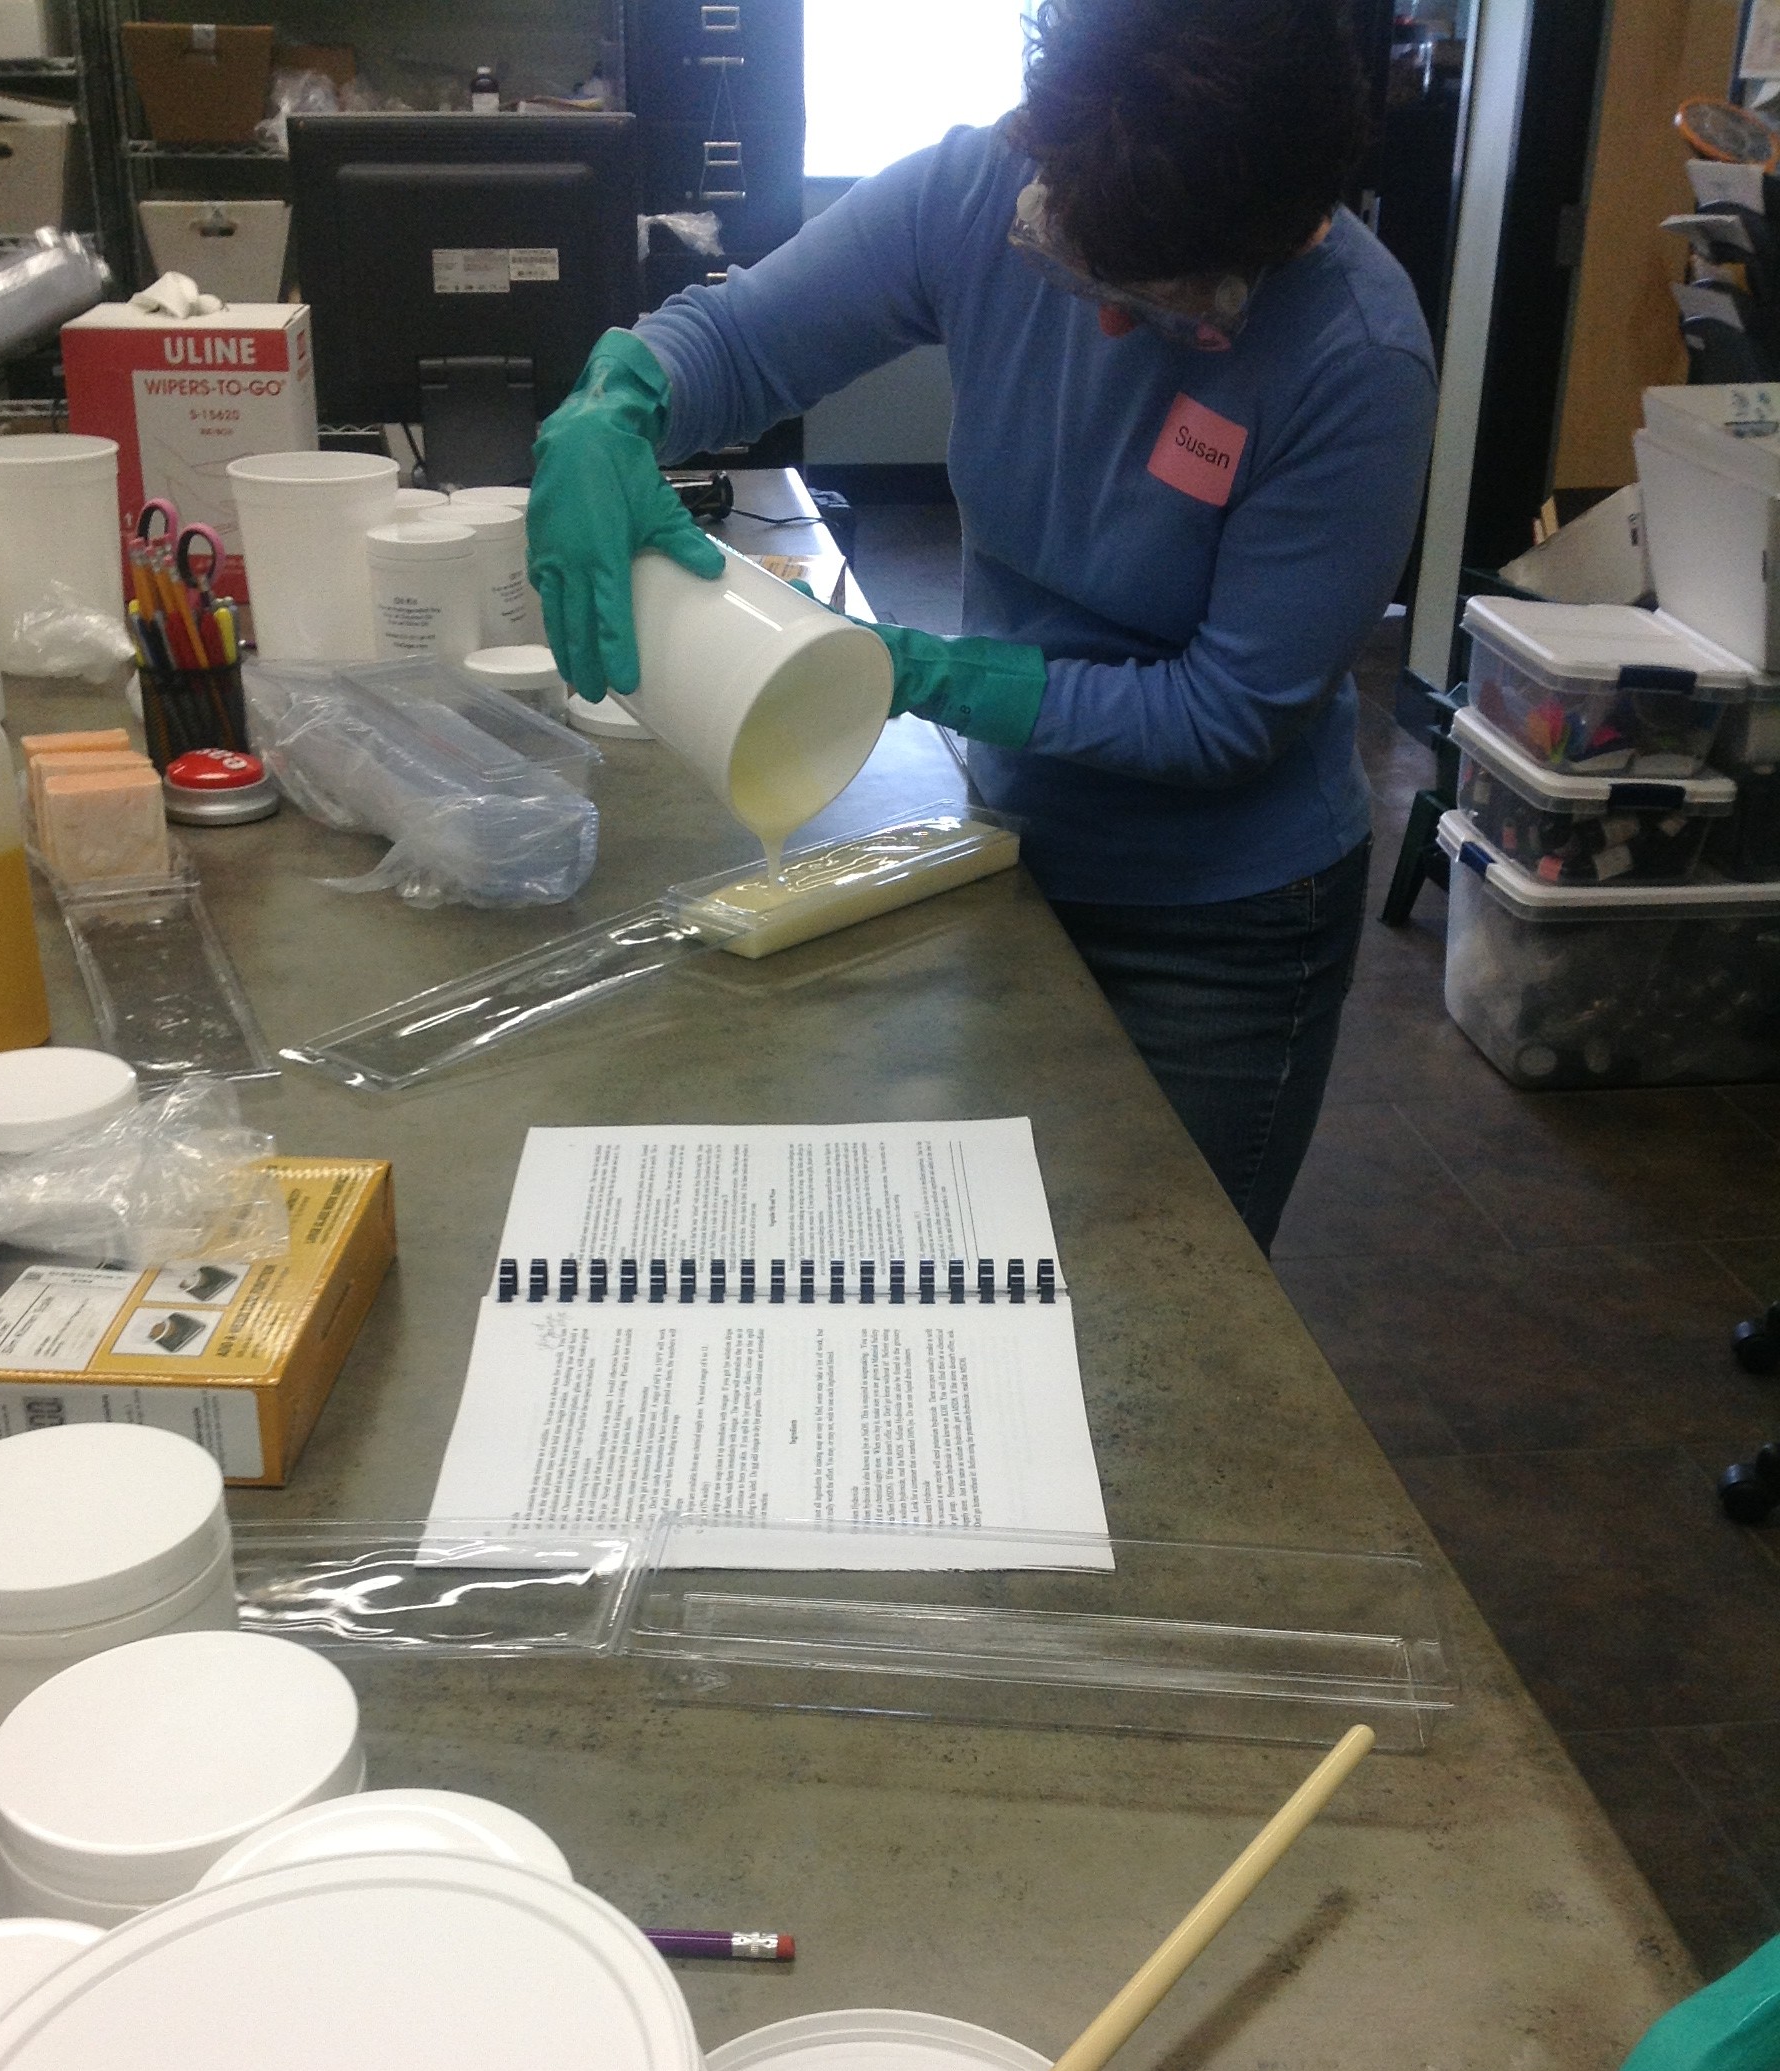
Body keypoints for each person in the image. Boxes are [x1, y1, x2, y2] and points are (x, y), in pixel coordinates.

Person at [527, 0, 1438, 1249]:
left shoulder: (1355, 357)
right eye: (1081, 269)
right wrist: (619, 399)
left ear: (1279, 235)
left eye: (1168, 302)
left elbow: (1227, 712)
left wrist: (915, 672)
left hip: (1219, 926)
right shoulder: (982, 190)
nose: (1107, 324)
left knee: (1168, 1290)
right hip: (1013, 839)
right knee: (1009, 1252)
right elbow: (739, 341)